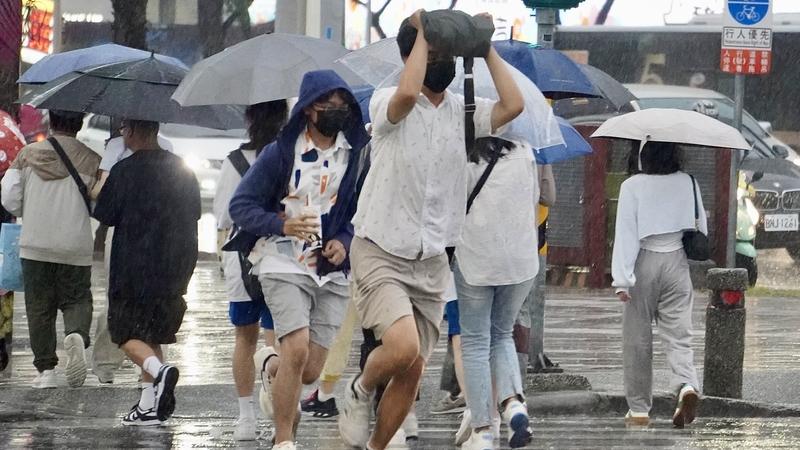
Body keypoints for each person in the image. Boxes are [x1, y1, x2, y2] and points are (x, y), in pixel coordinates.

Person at [338, 10, 523, 450]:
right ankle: (359, 390)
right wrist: (423, 32)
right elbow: (408, 91)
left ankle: (376, 446)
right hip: (381, 249)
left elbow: (513, 104)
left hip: (432, 259)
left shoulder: (462, 113)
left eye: (447, 56)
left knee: (414, 368)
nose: (442, 63)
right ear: (413, 56)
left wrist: (484, 46)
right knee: (400, 347)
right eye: (433, 55)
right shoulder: (388, 102)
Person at [229, 69, 369, 450]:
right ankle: (283, 439)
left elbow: (362, 210)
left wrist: (345, 238)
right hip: (282, 262)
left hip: (331, 270)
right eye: (329, 104)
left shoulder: (355, 156)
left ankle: (268, 367)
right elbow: (240, 205)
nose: (337, 110)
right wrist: (281, 223)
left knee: (309, 369)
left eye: (343, 104)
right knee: (296, 347)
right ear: (309, 109)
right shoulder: (280, 153)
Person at [94, 119, 200, 426]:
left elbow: (105, 214)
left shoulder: (124, 170)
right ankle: (148, 405)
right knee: (152, 333)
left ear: (132, 132)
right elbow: (194, 212)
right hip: (173, 265)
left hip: (133, 265)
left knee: (125, 332)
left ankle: (159, 371)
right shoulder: (181, 168)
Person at [1, 110, 100, 389]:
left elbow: (8, 196)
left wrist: (28, 210)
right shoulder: (91, 159)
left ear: (50, 122)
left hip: (35, 244)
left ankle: (46, 371)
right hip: (75, 244)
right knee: (77, 299)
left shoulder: (27, 154)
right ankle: (77, 335)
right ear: (79, 124)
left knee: (39, 307)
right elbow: (99, 202)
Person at [452, 137, 538, 449]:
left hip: (476, 259)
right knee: (502, 334)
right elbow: (533, 201)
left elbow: (452, 207)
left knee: (475, 341)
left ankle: (483, 431)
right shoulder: (525, 152)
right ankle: (514, 404)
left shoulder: (466, 154)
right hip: (520, 261)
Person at [611, 141, 704, 428]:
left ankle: (639, 409)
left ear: (643, 156)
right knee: (679, 333)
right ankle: (686, 385)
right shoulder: (689, 181)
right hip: (676, 261)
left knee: (637, 338)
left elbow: (626, 233)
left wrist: (623, 279)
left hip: (644, 261)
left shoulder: (633, 186)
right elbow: (701, 227)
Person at [213, 100, 287, 440]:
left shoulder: (236, 162)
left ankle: (246, 419)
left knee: (245, 337)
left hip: (241, 262)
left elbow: (225, 216)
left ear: (249, 118)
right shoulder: (291, 156)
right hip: (282, 258)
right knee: (279, 340)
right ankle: (280, 419)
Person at [90, 130, 173, 384]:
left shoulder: (117, 147)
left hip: (127, 235)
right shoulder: (164, 147)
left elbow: (100, 195)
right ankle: (146, 376)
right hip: (157, 233)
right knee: (147, 302)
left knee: (119, 303)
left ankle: (135, 367)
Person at [514, 164, 560, 376]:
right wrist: (545, 165)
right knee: (519, 308)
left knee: (478, 318)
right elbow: (548, 197)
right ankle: (517, 375)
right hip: (526, 241)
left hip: (486, 246)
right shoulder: (536, 154)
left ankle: (460, 384)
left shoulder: (479, 153)